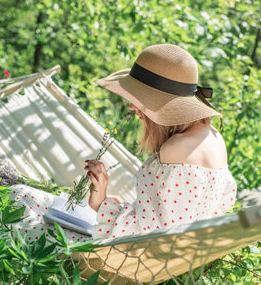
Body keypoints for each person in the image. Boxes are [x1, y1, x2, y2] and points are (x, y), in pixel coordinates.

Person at [84, 44, 237, 240]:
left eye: (138, 97)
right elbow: (184, 217)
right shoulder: (214, 136)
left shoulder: (175, 149)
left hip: (146, 263)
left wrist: (101, 204)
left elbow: (152, 238)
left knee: (39, 212)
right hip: (191, 255)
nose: (131, 106)